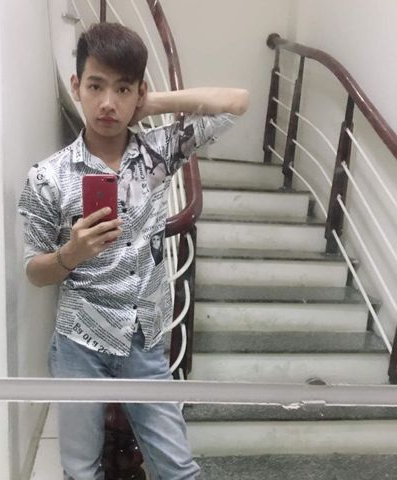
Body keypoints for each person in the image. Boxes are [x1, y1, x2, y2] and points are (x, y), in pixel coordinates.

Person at [18, 22, 249, 480]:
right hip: (78, 342)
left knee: (178, 469)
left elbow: (236, 102)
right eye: (96, 86)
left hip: (144, 338)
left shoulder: (158, 154)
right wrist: (71, 254)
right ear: (75, 86)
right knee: (81, 471)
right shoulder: (47, 177)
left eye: (122, 89)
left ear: (138, 93)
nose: (108, 102)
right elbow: (34, 271)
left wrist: (152, 103)